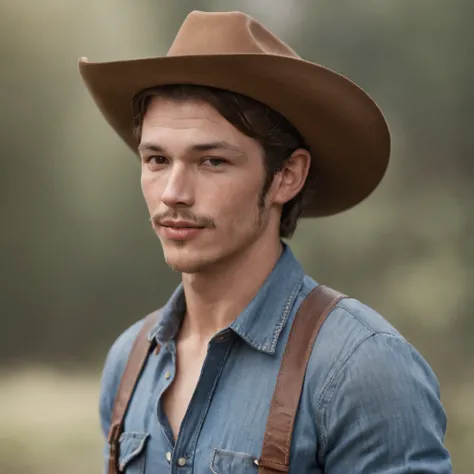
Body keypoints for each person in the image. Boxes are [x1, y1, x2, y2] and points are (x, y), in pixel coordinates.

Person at [79, 10, 452, 474]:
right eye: (156, 159)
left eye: (212, 161)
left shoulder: (362, 368)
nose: (173, 192)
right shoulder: (129, 363)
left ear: (287, 176)